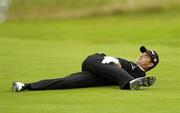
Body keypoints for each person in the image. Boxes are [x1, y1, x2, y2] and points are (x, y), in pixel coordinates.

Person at [12, 46, 159, 92]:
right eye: (142, 53)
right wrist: (114, 62)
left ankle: (25, 86)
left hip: (98, 76)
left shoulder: (139, 72)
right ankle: (128, 84)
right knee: (120, 72)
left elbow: (124, 73)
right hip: (96, 60)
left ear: (151, 64)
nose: (141, 56)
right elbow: (117, 70)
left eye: (145, 56)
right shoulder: (133, 69)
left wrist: (117, 66)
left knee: (67, 82)